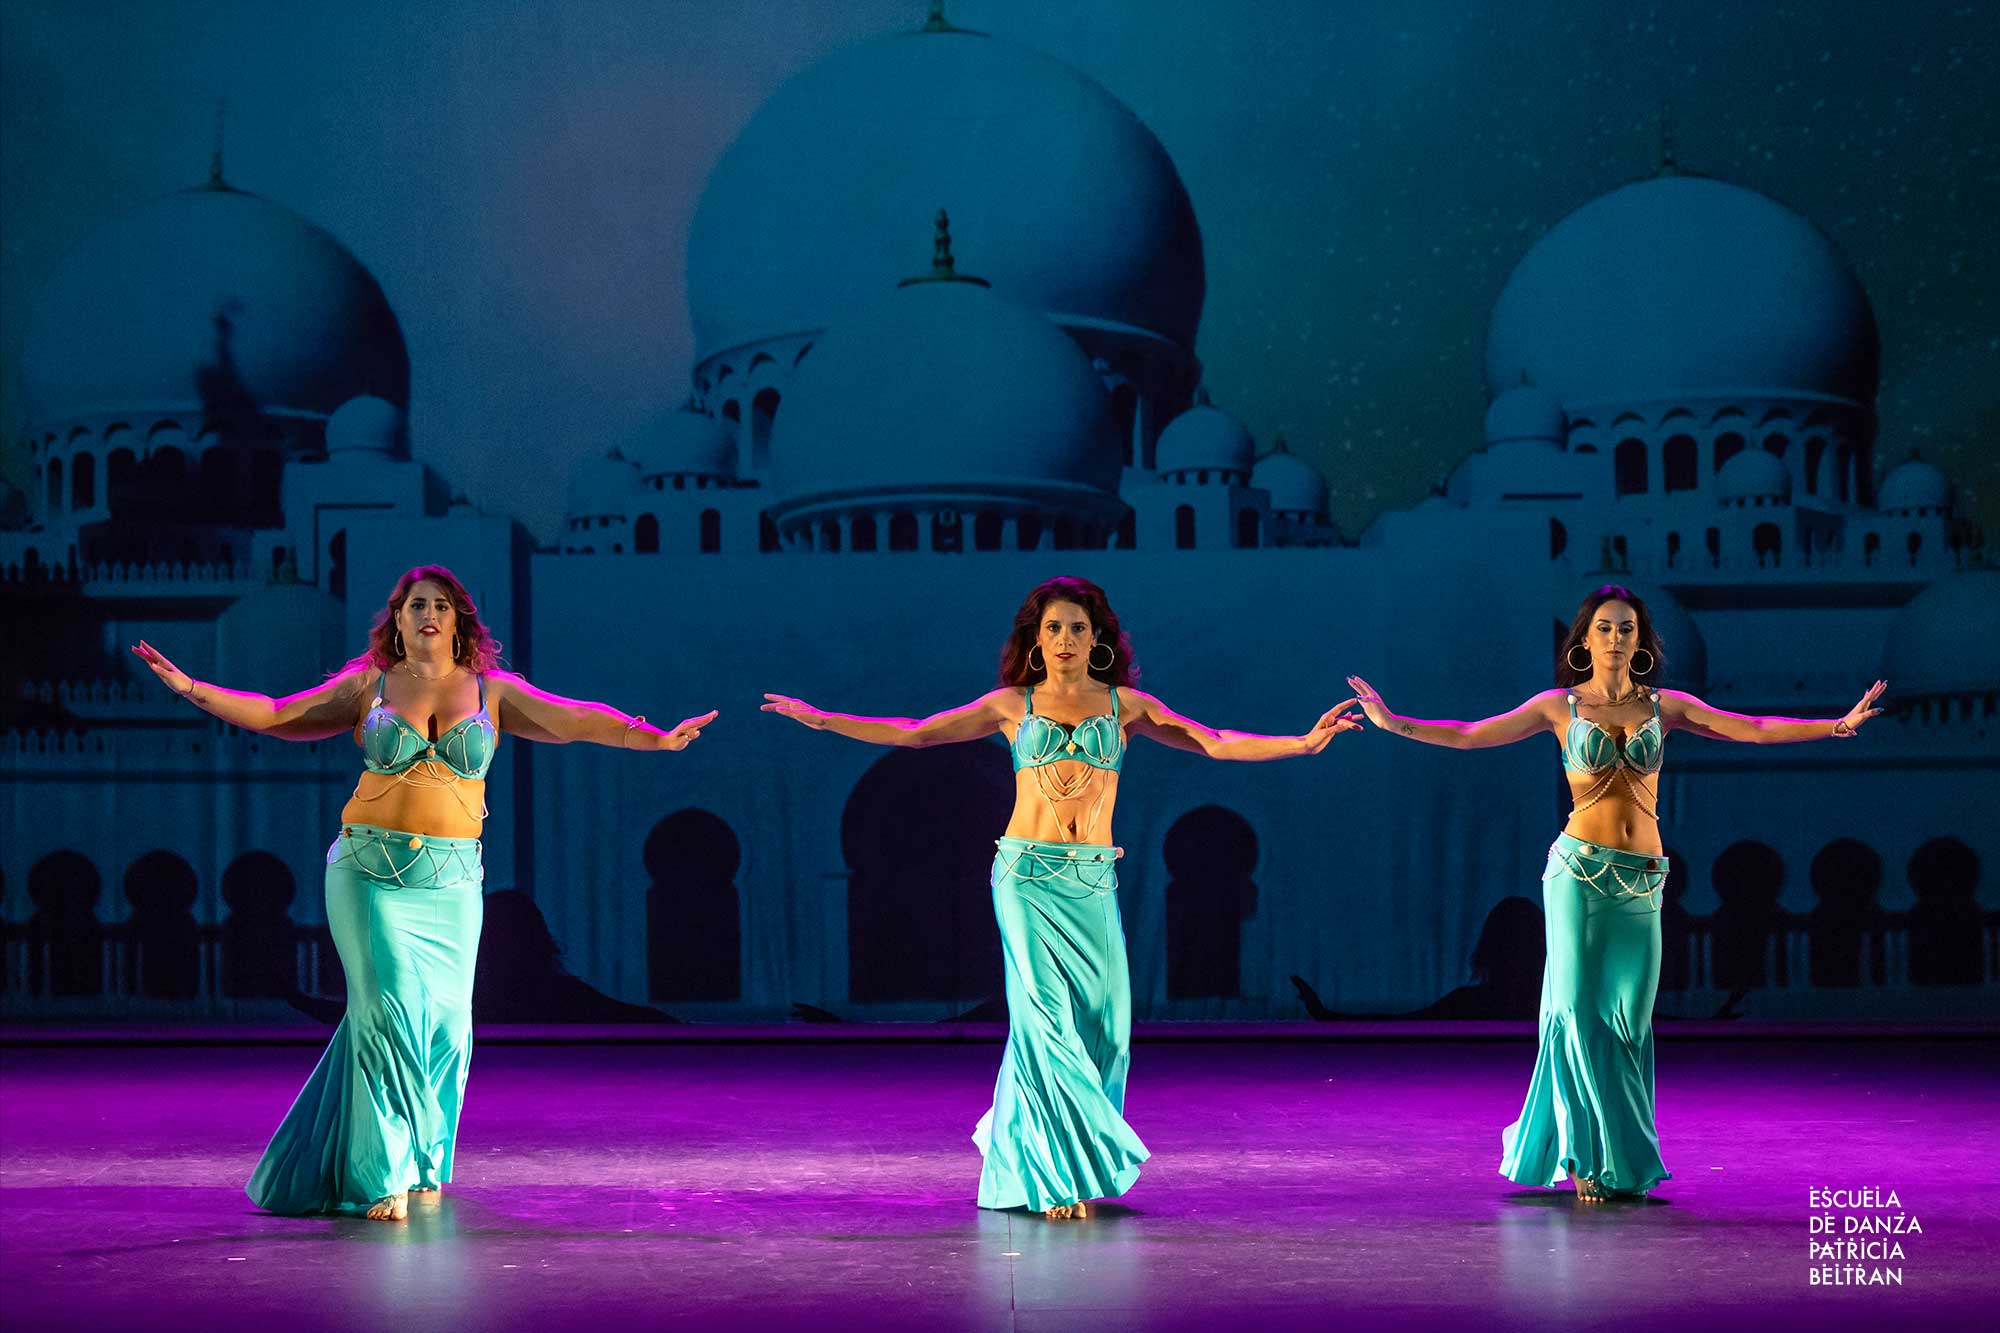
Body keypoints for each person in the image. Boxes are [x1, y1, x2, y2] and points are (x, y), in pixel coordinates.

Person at [132, 564, 715, 1221]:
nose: (428, 613)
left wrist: (654, 738)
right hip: (368, 874)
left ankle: (425, 1165)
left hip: (452, 883)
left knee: (446, 1027)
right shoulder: (370, 685)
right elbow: (274, 713)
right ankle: (379, 1176)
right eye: (416, 605)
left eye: (440, 604)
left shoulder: (492, 691)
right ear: (398, 619)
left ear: (459, 619)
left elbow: (578, 718)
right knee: (388, 1014)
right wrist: (191, 687)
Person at [764, 575, 1359, 1219]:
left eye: (1078, 627)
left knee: (1107, 1031)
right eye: (1054, 628)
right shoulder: (1011, 705)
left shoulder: (1126, 707)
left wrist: (1302, 743)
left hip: (1092, 880)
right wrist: (822, 719)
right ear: (1036, 639)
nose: (1066, 639)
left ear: (1097, 637)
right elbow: (916, 732)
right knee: (1044, 1022)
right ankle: (1054, 1179)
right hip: (1025, 877)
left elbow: (1214, 741)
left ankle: (1056, 1158)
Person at [1345, 583, 1885, 1202]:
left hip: (1643, 879)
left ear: (1641, 640)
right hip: (1577, 873)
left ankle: (1623, 1160)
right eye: (1604, 627)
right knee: (1575, 1010)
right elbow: (1470, 734)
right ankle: (1580, 1156)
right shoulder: (1559, 707)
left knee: (1629, 1020)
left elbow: (1753, 728)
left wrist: (1836, 726)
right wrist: (1391, 722)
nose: (1615, 638)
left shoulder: (1666, 706)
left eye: (1626, 628)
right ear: (1584, 639)